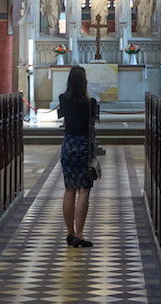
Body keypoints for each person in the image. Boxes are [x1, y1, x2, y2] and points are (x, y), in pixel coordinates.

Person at [57, 64, 98, 249]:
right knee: (83, 190)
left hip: (68, 146)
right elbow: (92, 121)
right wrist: (86, 92)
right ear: (84, 82)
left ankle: (70, 232)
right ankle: (80, 234)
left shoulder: (63, 99)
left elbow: (62, 117)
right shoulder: (90, 103)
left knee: (69, 189)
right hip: (83, 147)